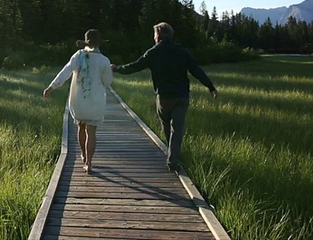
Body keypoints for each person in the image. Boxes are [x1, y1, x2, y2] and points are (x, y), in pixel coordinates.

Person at [111, 22, 218, 173]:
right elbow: (196, 70)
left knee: (167, 126)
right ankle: (173, 158)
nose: (153, 37)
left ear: (158, 36)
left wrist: (116, 69)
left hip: (164, 98)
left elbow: (134, 66)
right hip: (182, 96)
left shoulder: (153, 52)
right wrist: (211, 87)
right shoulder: (182, 52)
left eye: (154, 34)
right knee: (178, 128)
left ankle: (171, 156)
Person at [43, 29, 113, 174]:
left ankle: (83, 154)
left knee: (81, 127)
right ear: (99, 43)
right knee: (92, 132)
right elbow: (107, 82)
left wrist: (52, 87)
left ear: (86, 42)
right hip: (96, 101)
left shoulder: (78, 56)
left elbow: (65, 72)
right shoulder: (105, 61)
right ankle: (89, 163)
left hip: (79, 99)